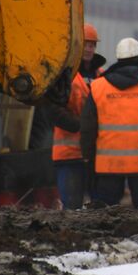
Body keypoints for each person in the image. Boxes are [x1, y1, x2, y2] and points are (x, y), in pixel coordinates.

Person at [81, 37, 138, 207]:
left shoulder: (98, 86)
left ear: (118, 58)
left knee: (106, 209)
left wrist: (88, 154)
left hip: (109, 163)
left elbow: (88, 125)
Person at [42, 22, 101, 209]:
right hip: (69, 155)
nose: (89, 49)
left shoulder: (102, 75)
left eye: (92, 45)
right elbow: (52, 110)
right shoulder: (63, 76)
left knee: (99, 208)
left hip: (96, 153)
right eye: (85, 44)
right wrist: (81, 125)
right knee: (72, 208)